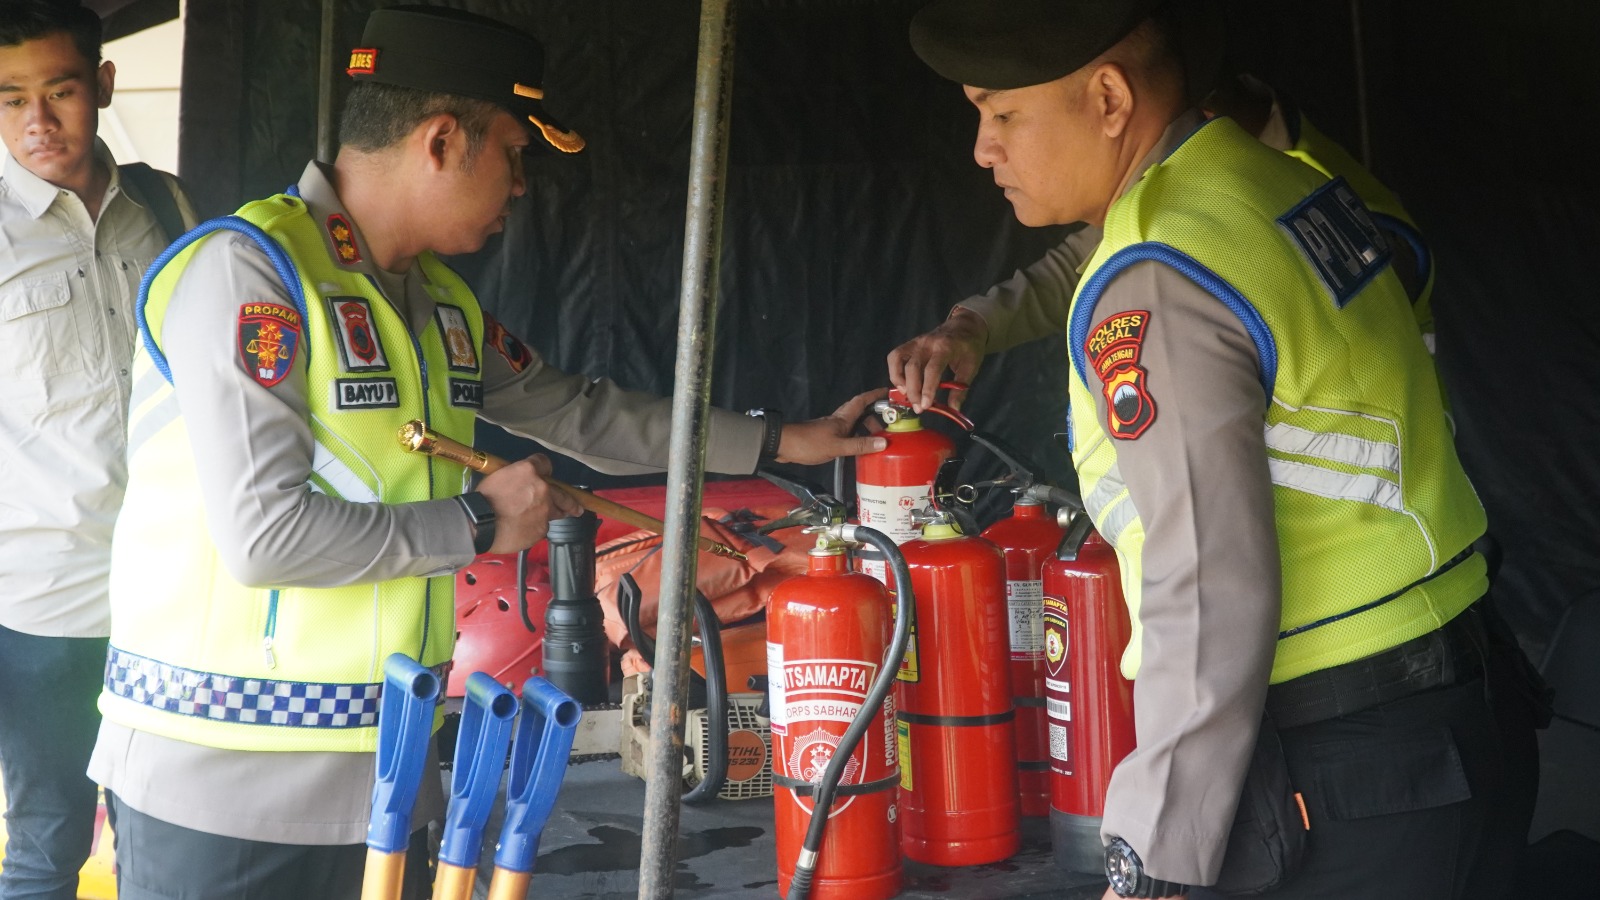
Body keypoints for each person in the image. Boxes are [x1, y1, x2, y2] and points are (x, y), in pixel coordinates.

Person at [84, 6, 885, 898]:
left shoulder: (438, 306)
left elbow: (578, 414)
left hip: (387, 774)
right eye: (513, 151)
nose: (522, 185)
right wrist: (481, 521)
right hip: (224, 781)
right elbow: (265, 537)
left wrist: (784, 441)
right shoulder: (253, 274)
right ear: (439, 141)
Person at [909, 2, 1539, 899]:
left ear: (1109, 97)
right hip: (1466, 701)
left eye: (1001, 112)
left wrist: (1157, 848)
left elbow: (1206, 580)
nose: (983, 147)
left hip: (1351, 764)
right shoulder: (1276, 182)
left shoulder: (1161, 270)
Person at [888, 72, 1441, 414]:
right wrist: (971, 325)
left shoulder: (1300, 193)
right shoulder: (1181, 192)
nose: (986, 149)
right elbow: (1083, 262)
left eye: (1005, 114)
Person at [0, 3, 195, 897]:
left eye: (61, 90)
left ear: (103, 85)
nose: (37, 121)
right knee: (50, 842)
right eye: (9, 99)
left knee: (170, 833)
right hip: (41, 605)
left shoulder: (168, 205)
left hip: (175, 593)